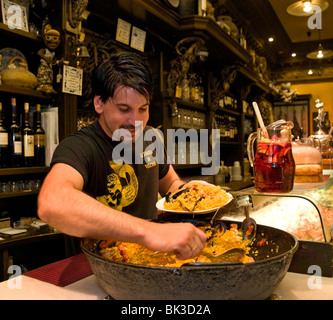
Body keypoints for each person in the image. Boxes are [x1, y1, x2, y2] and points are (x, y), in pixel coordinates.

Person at [38, 52, 207, 260]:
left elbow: (170, 183)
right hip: (96, 269)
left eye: (143, 109)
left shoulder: (150, 138)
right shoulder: (80, 146)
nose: (136, 121)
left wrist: (191, 191)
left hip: (148, 261)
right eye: (124, 109)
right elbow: (52, 202)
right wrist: (147, 231)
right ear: (99, 103)